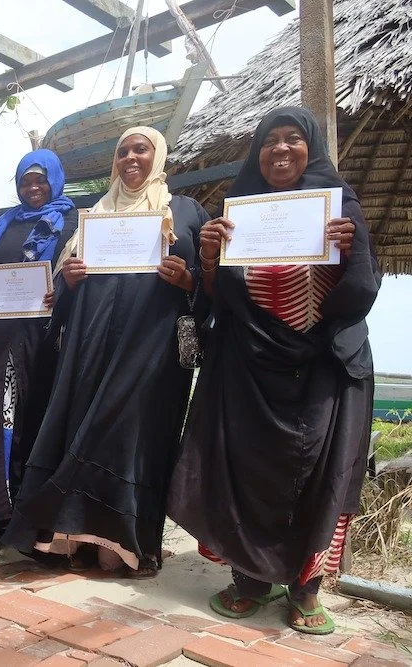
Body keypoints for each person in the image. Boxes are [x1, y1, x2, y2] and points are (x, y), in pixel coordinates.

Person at [167, 107, 380, 634]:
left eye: (293, 140)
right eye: (269, 142)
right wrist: (211, 259)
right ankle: (249, 581)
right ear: (256, 153)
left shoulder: (340, 205)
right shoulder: (237, 212)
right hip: (248, 367)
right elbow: (220, 300)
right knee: (245, 469)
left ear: (312, 148)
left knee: (318, 474)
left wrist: (348, 252)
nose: (281, 150)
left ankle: (305, 590)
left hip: (325, 367)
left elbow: (362, 290)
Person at [3, 127, 209, 577]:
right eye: (123, 151)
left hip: (151, 352)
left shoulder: (187, 212)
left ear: (159, 154)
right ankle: (70, 539)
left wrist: (188, 281)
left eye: (141, 149)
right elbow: (58, 295)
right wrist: (69, 281)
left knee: (134, 438)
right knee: (81, 429)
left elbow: (209, 285)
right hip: (90, 348)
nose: (131, 158)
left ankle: (127, 544)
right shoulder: (93, 215)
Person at [0, 149, 78, 538]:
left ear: (55, 180)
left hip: (41, 339)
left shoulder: (73, 220)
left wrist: (61, 289)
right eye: (25, 181)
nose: (33, 188)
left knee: (32, 417)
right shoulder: (6, 222)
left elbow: (79, 273)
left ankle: (26, 516)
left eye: (40, 179)